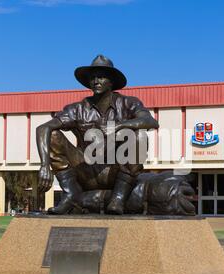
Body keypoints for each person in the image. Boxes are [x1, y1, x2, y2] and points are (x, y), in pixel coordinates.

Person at [36, 55, 159, 215]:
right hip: (85, 172)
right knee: (52, 135)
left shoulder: (128, 103)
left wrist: (120, 125)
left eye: (101, 77)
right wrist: (44, 165)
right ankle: (71, 194)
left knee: (139, 137)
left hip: (115, 172)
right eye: (93, 77)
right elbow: (43, 128)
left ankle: (118, 198)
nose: (96, 81)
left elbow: (150, 121)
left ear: (112, 81)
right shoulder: (77, 109)